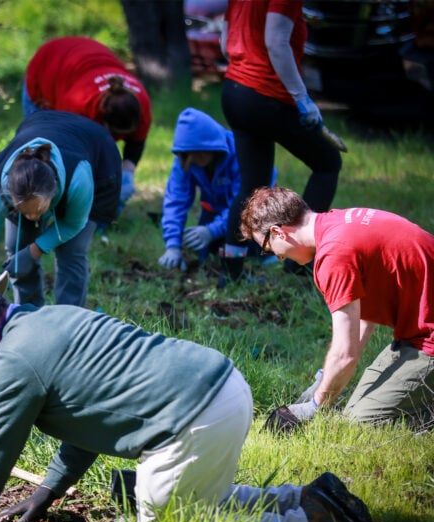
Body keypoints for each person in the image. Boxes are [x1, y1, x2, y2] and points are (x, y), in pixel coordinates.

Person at [0, 272, 375, 522]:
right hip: (224, 386)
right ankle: (305, 498)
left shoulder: (12, 362)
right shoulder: (50, 317)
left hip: (190, 420)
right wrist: (51, 488)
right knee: (202, 503)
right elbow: (92, 414)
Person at [240, 185, 434, 428]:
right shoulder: (336, 222)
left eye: (269, 249)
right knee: (353, 409)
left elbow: (345, 353)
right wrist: (323, 381)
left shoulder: (333, 256)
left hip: (428, 338)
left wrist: (314, 406)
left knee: (360, 423)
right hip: (414, 333)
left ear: (278, 232)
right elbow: (365, 317)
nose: (279, 258)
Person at [218, 0, 342, 286]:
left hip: (234, 91)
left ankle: (230, 273)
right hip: (265, 94)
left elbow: (226, 43)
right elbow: (276, 41)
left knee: (252, 186)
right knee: (328, 163)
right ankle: (299, 264)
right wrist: (301, 98)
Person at [0, 110, 120, 307]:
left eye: (38, 210)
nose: (32, 217)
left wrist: (35, 250)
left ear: (54, 190)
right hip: (41, 123)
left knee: (71, 251)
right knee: (17, 246)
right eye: (24, 210)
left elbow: (73, 225)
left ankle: (69, 319)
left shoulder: (78, 180)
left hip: (98, 155)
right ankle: (28, 315)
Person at [23, 36, 152, 213]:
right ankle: (39, 209)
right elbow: (66, 154)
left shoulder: (142, 104)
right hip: (49, 64)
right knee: (43, 156)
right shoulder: (77, 107)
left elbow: (136, 143)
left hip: (84, 62)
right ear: (103, 121)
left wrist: (126, 175)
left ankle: (99, 215)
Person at [158, 107, 276, 272]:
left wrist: (211, 231)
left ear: (209, 148)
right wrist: (173, 245)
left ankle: (269, 248)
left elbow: (247, 204)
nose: (193, 163)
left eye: (197, 156)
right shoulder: (184, 159)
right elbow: (176, 200)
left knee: (249, 255)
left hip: (253, 212)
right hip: (216, 211)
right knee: (206, 256)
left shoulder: (241, 152)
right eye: (188, 158)